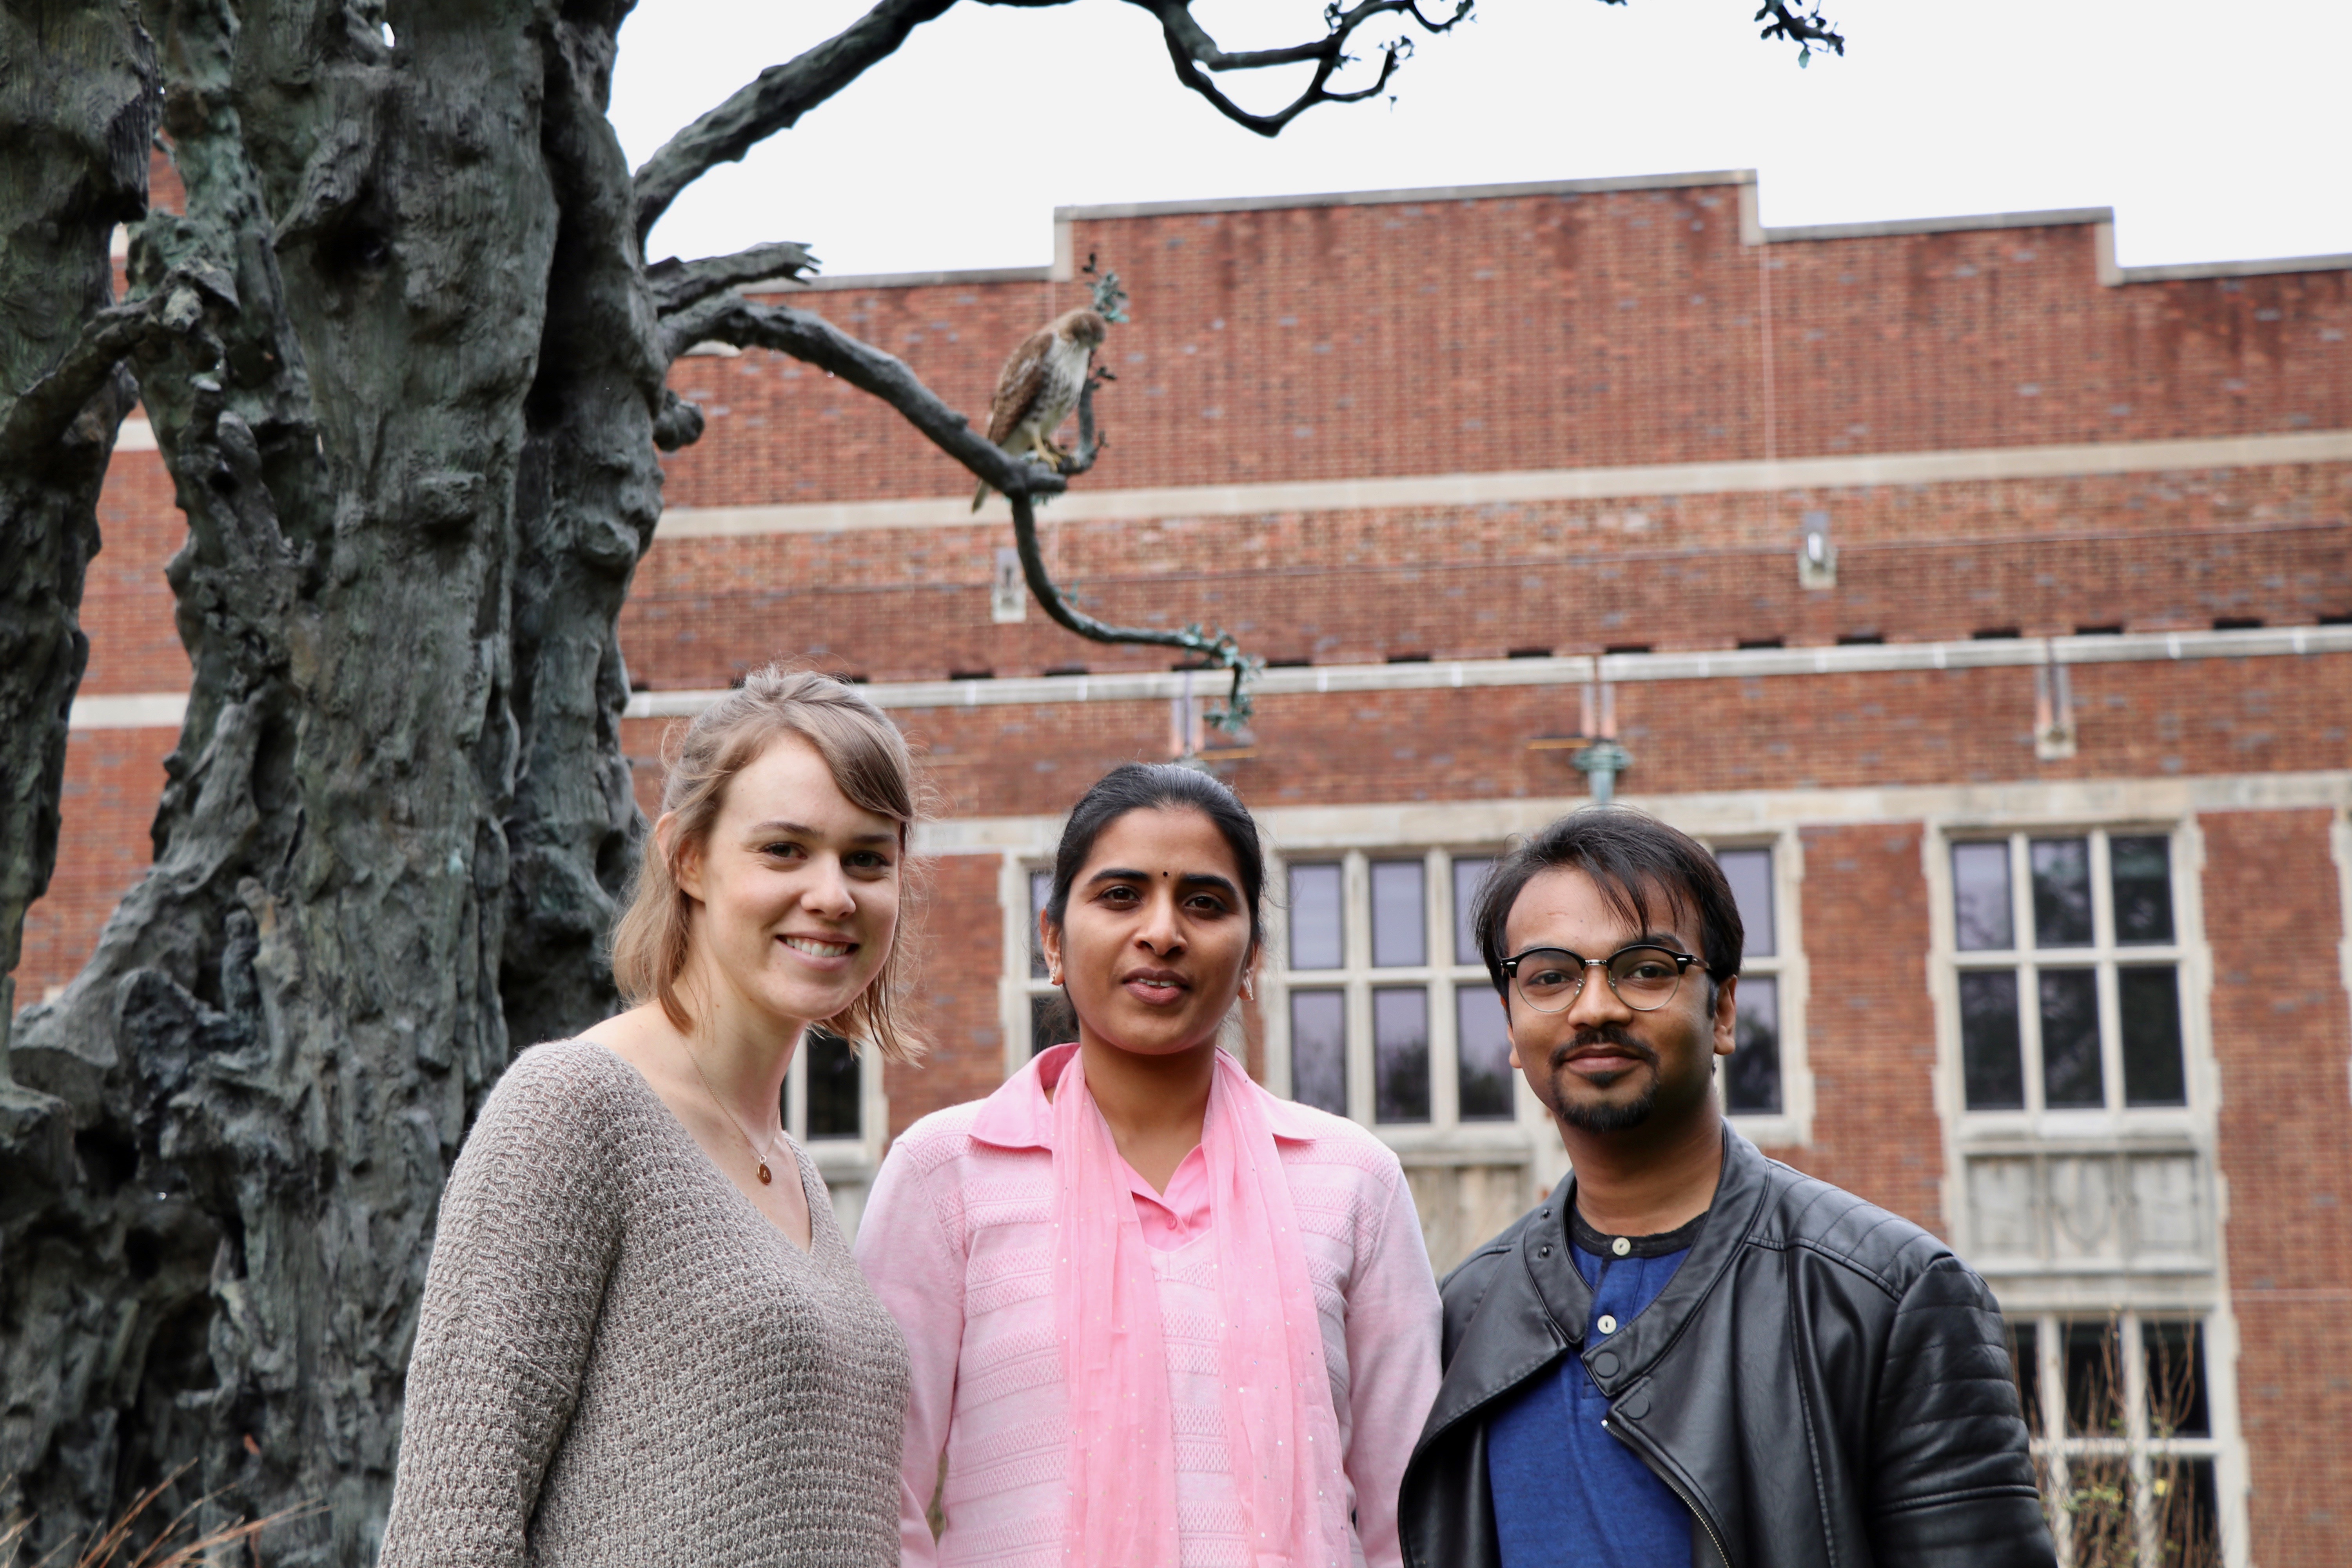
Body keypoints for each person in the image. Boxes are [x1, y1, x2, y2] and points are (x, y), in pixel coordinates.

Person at [1399, 808, 2055, 1568]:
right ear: (1511, 1028)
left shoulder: (1889, 1297)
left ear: (1726, 1009)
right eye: (1550, 975)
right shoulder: (1465, 1315)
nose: (1596, 1006)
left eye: (1645, 967)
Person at [381, 668, 924, 1568]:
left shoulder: (796, 1175)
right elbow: (449, 1535)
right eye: (786, 849)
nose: (834, 893)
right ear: (687, 857)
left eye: (868, 857)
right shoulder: (570, 1108)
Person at [856, 763, 1443, 1568]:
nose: (1163, 930)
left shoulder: (1352, 1182)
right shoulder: (946, 1175)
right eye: (1121, 894)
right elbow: (872, 1500)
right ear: (1053, 937)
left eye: (1204, 902)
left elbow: (1408, 1517)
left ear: (1251, 958)